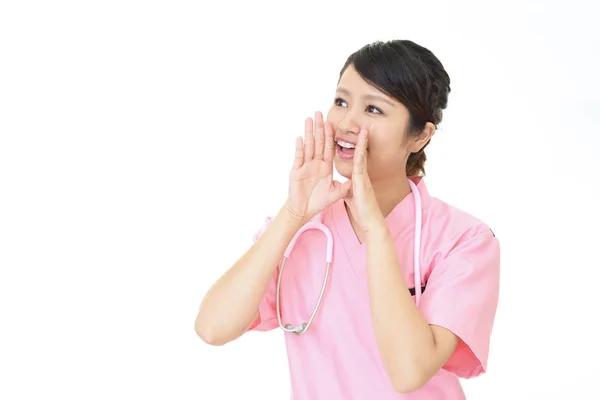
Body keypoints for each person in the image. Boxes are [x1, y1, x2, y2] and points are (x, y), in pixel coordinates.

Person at [195, 39, 500, 399]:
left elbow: (408, 373)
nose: (347, 122)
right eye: (341, 101)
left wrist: (376, 231)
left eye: (374, 109)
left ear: (419, 136)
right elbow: (212, 327)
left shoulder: (463, 240)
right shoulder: (304, 227)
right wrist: (292, 215)